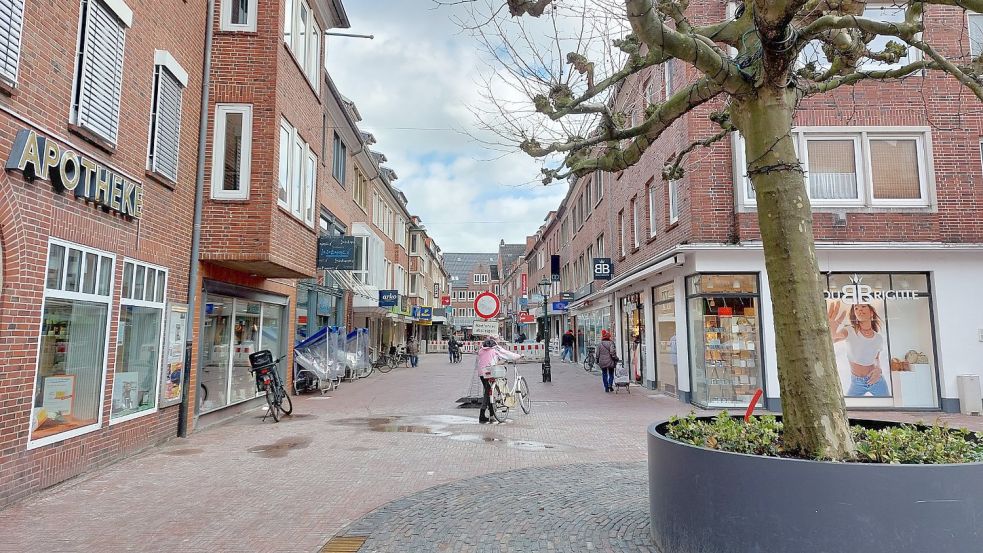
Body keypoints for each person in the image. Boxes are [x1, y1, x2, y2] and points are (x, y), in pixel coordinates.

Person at [828, 301, 888, 397]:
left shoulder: (878, 338)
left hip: (876, 379)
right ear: (855, 314)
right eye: (856, 308)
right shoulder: (849, 330)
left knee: (887, 408)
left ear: (871, 312)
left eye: (863, 306)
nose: (859, 309)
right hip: (857, 382)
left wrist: (878, 370)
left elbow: (876, 358)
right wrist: (831, 331)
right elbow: (834, 338)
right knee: (849, 408)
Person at [474, 335, 522, 423]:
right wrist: (518, 356)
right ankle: (482, 413)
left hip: (482, 372)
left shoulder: (481, 349)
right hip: (492, 371)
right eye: (498, 339)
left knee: (488, 391)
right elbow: (507, 354)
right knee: (488, 393)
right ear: (495, 341)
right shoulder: (495, 348)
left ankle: (492, 414)